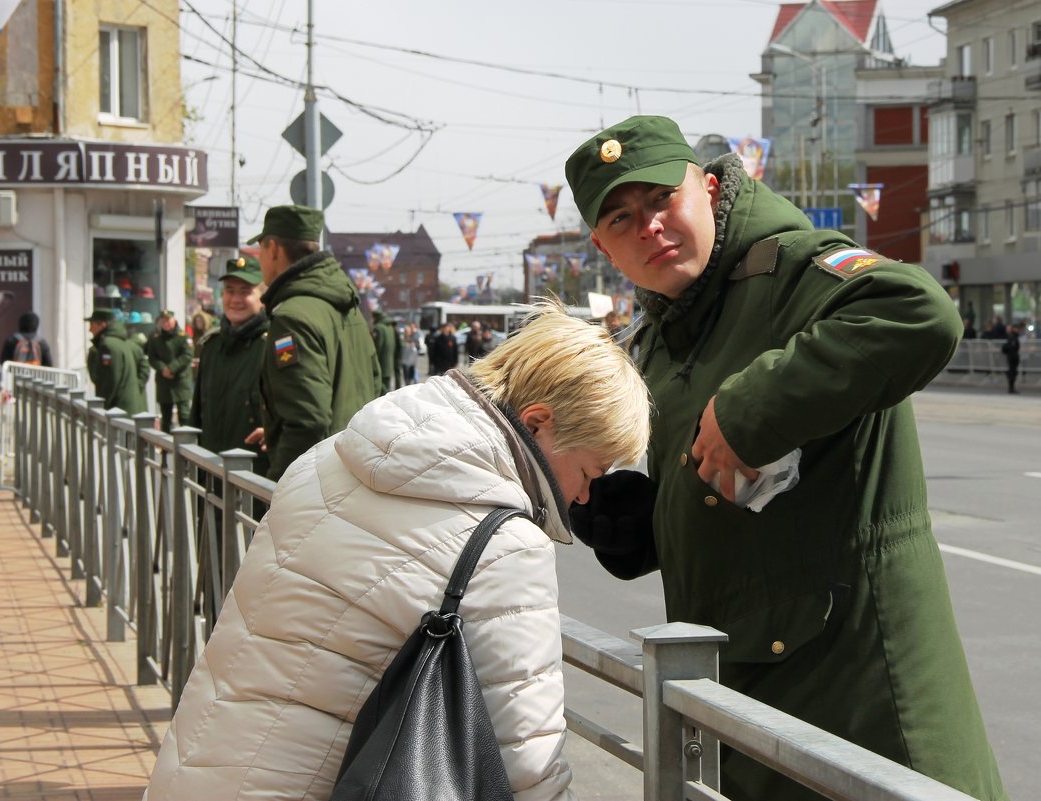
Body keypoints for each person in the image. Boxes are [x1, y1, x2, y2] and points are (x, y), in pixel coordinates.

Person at [563, 115, 1007, 801]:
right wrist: (643, 523)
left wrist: (749, 411)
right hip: (749, 709)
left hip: (860, 705)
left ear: (708, 189)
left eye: (661, 199)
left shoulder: (791, 267)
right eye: (622, 218)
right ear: (602, 246)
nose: (648, 225)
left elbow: (920, 312)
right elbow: (725, 488)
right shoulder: (659, 340)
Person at [143, 302, 650, 801]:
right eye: (589, 472)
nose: (585, 496)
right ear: (538, 423)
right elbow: (527, 764)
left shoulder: (327, 458)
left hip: (196, 769)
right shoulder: (506, 545)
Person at [247, 204, 382, 481]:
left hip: (316, 485)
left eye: (261, 249)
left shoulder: (292, 317)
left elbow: (307, 419)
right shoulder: (349, 308)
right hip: (354, 472)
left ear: (273, 249)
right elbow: (374, 385)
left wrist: (279, 486)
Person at [188, 257, 270, 475]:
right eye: (229, 291)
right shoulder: (211, 347)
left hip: (254, 476)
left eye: (245, 291)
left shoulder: (270, 346)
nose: (235, 299)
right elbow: (197, 412)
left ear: (262, 297)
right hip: (211, 472)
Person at [85, 308, 148, 416]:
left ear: (102, 325)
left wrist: (102, 405)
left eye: (92, 324)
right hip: (125, 408)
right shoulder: (119, 342)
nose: (90, 329)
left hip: (118, 409)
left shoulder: (108, 345)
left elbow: (110, 380)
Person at [145, 310, 194, 432]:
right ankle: (166, 449)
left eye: (168, 320)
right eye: (163, 320)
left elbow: (187, 355)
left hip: (180, 381)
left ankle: (186, 445)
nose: (165, 323)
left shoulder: (183, 337)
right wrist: (163, 369)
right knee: (165, 418)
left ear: (174, 321)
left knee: (184, 415)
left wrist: (171, 368)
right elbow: (152, 358)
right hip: (164, 382)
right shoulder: (155, 338)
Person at [370, 306, 400, 393]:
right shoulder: (390, 328)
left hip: (381, 364)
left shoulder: (378, 328)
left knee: (380, 391)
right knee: (386, 389)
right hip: (389, 364)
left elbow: (377, 348)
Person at [1001, 323, 1020, 394]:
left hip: (1013, 356)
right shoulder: (1010, 336)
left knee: (1012, 372)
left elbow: (1014, 346)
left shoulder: (1012, 336)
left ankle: (1011, 388)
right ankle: (1011, 388)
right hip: (1012, 356)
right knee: (1012, 372)